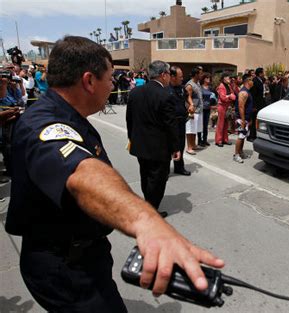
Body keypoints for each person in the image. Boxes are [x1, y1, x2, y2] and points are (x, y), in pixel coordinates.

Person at [5, 36, 224, 313]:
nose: (111, 86)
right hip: (66, 267)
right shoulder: (44, 123)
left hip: (84, 253)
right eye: (109, 79)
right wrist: (147, 222)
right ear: (88, 81)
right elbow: (82, 173)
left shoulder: (70, 116)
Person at [127, 61, 179, 218]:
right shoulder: (165, 95)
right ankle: (152, 210)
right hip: (159, 147)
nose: (170, 77)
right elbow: (171, 125)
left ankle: (148, 204)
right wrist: (176, 147)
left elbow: (129, 119)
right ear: (163, 75)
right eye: (169, 74)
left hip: (140, 144)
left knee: (145, 175)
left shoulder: (135, 92)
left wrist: (131, 137)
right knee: (158, 179)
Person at [169, 65, 191, 176]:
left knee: (181, 145)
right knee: (168, 146)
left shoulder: (182, 88)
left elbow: (188, 96)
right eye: (180, 76)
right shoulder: (165, 89)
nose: (182, 78)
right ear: (172, 77)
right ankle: (164, 169)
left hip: (181, 121)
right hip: (170, 123)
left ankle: (179, 167)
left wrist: (191, 104)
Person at [233, 74, 254, 163]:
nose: (252, 81)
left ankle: (241, 152)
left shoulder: (248, 91)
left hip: (246, 118)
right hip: (241, 118)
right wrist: (242, 120)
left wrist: (249, 119)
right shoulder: (243, 92)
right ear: (247, 81)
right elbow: (241, 107)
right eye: (251, 80)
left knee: (243, 136)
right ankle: (236, 155)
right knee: (240, 136)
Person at [184, 67, 204, 155]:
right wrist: (190, 111)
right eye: (200, 73)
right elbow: (187, 98)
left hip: (199, 110)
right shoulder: (189, 85)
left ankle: (193, 145)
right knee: (190, 129)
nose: (201, 75)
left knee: (195, 129)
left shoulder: (198, 83)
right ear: (196, 74)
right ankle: (189, 147)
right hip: (193, 111)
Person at [215, 73, 235, 147]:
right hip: (222, 106)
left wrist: (229, 96)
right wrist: (229, 96)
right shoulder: (221, 86)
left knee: (226, 124)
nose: (229, 78)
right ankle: (218, 140)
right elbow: (223, 98)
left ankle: (225, 139)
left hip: (227, 106)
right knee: (220, 124)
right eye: (228, 77)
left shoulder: (229, 86)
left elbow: (234, 96)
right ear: (224, 78)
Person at [198, 72, 215, 147]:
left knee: (205, 125)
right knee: (200, 125)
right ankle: (199, 140)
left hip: (208, 108)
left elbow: (214, 97)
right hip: (201, 108)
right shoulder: (200, 87)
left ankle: (204, 140)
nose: (208, 79)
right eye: (207, 78)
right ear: (204, 79)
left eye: (209, 78)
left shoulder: (210, 88)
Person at [249, 67, 265, 141]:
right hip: (256, 105)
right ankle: (251, 136)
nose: (264, 73)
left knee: (257, 120)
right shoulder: (255, 81)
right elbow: (253, 95)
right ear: (260, 73)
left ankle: (255, 134)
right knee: (254, 120)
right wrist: (254, 106)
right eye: (263, 72)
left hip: (260, 103)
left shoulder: (260, 80)